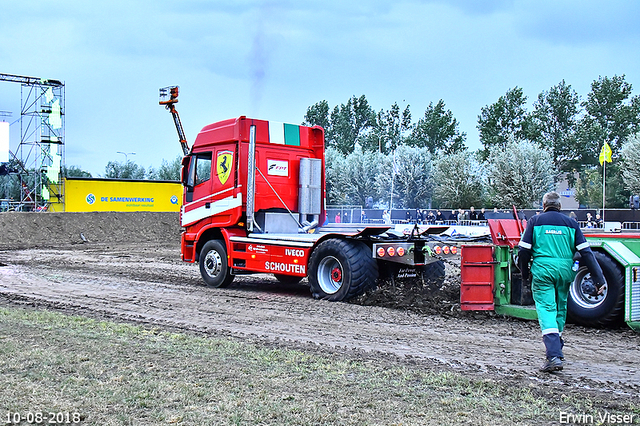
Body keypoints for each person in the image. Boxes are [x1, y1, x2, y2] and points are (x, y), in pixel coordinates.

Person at [518, 192, 606, 373]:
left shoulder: (535, 221)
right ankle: (557, 346)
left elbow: (524, 251)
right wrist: (599, 279)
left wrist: (525, 273)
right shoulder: (572, 224)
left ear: (544, 206)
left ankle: (553, 356)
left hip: (543, 271)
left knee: (547, 309)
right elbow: (587, 253)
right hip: (565, 271)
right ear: (559, 206)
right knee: (560, 308)